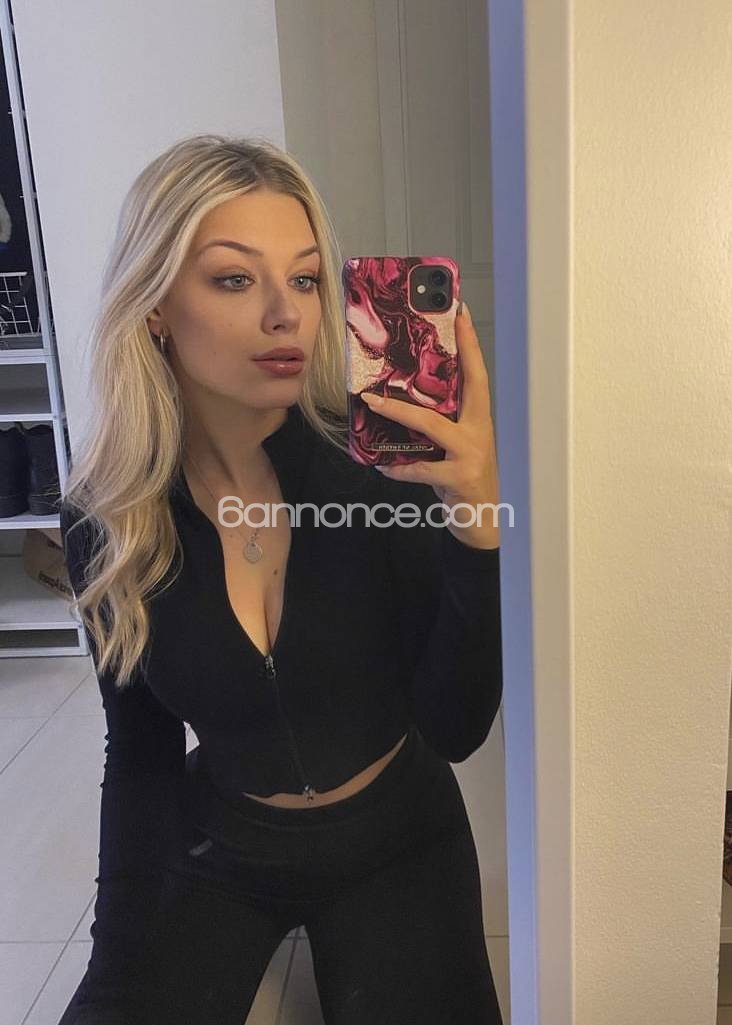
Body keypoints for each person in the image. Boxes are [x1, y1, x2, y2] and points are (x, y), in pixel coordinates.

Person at [56, 134, 504, 1025]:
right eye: (234, 278)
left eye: (304, 279)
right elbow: (140, 752)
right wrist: (119, 959)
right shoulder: (111, 521)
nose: (285, 314)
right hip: (221, 840)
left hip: (398, 835)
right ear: (154, 306)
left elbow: (455, 727)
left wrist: (475, 526)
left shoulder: (378, 472)